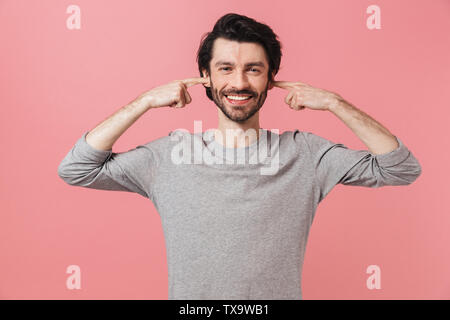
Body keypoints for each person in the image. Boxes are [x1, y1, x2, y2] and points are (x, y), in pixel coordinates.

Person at [57, 13, 422, 300]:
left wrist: (334, 104)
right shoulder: (169, 155)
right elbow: (76, 169)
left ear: (271, 78)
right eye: (226, 68)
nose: (240, 83)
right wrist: (144, 102)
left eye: (253, 69)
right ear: (206, 77)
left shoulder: (305, 154)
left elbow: (400, 169)